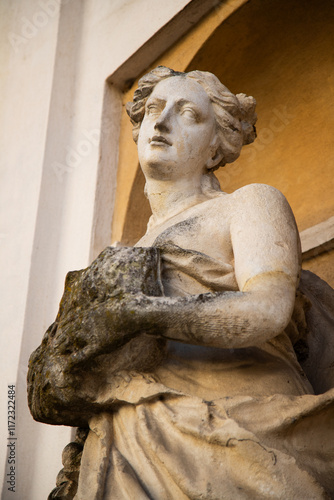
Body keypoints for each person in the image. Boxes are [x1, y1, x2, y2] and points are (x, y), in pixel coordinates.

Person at [29, 67, 334, 499]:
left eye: (187, 112)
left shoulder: (248, 204)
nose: (163, 120)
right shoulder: (119, 256)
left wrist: (139, 315)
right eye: (153, 109)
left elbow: (267, 309)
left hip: (237, 434)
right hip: (129, 442)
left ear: (216, 146)